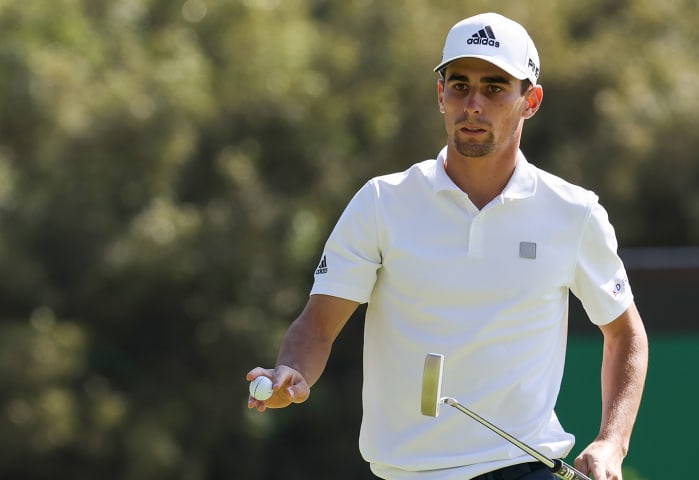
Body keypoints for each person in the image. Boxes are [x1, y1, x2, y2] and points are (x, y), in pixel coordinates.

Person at [246, 12, 648, 480]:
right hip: (406, 473)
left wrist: (611, 442)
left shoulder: (574, 213)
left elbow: (625, 334)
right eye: (459, 86)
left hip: (523, 466)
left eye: (495, 88)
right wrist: (289, 372)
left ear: (530, 101)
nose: (473, 104)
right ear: (441, 95)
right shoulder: (382, 202)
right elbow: (317, 325)